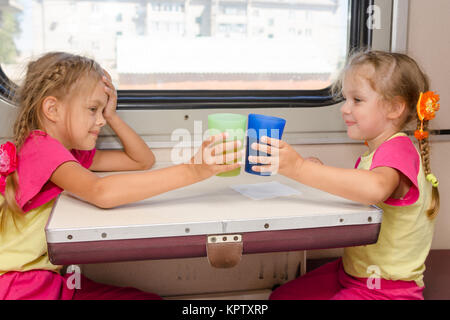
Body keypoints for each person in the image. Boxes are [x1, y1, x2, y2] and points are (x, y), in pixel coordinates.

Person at [0, 52, 242, 300]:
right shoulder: (41, 148)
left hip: (42, 278)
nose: (101, 120)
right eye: (93, 109)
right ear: (52, 109)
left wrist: (112, 116)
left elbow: (142, 160)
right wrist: (193, 170)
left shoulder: (69, 153)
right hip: (18, 285)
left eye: (102, 111)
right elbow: (101, 192)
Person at [249, 50, 440, 300]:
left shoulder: (399, 149)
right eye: (345, 99)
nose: (344, 109)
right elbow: (361, 190)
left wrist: (300, 169)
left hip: (386, 290)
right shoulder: (376, 154)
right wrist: (319, 171)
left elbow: (374, 189)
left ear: (394, 108)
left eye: (357, 100)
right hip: (352, 274)